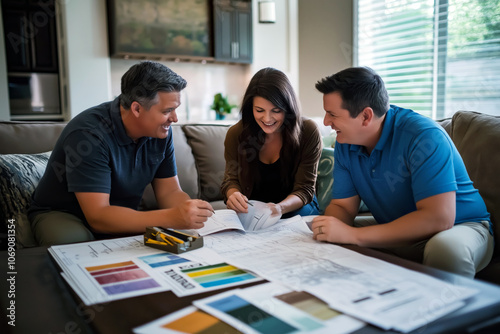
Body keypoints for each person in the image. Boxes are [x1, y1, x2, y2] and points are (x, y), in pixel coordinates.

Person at [311, 66, 494, 277]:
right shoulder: (346, 142)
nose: (326, 122)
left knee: (445, 249)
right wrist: (331, 229)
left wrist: (353, 236)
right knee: (320, 227)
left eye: (332, 114)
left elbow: (438, 218)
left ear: (366, 116)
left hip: (461, 226)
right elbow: (342, 206)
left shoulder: (423, 136)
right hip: (397, 223)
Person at [28, 61, 214, 246]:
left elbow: (170, 191)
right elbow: (98, 216)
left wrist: (190, 212)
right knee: (74, 245)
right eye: (168, 111)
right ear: (136, 109)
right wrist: (170, 218)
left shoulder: (160, 132)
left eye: (175, 109)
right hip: (64, 213)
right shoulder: (89, 135)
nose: (175, 118)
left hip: (119, 213)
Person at [221, 67, 322, 219]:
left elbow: (305, 189)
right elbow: (230, 180)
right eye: (260, 110)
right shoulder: (236, 134)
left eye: (276, 110)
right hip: (256, 211)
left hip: (297, 207)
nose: (267, 119)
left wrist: (280, 208)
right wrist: (233, 194)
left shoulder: (308, 131)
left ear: (288, 108)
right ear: (250, 108)